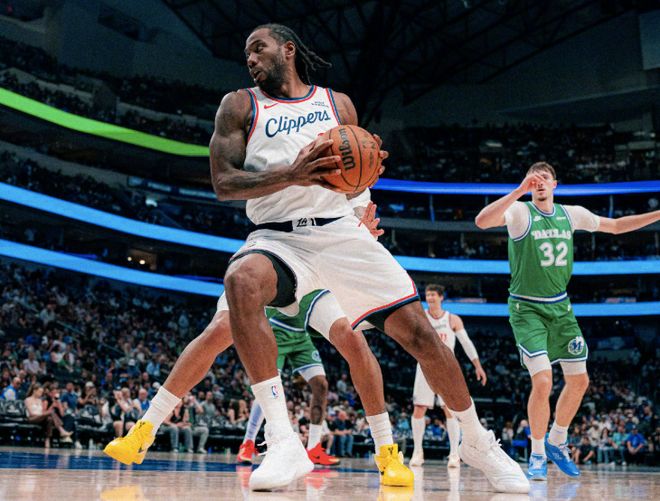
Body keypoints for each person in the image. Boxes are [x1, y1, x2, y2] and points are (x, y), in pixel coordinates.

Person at [106, 23, 527, 493]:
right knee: (241, 281)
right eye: (246, 52)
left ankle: (476, 441)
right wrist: (293, 173)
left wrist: (363, 208)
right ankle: (283, 440)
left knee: (421, 335)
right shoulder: (240, 105)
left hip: (339, 233)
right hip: (276, 237)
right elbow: (223, 182)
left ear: (288, 50)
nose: (250, 58)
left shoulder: (337, 103)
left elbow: (355, 179)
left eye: (258, 48)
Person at [475, 161, 660, 481]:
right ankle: (536, 453)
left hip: (560, 308)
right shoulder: (520, 212)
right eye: (534, 179)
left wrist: (657, 214)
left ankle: (557, 440)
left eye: (544, 178)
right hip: (527, 309)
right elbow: (481, 221)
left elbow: (617, 226)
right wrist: (518, 190)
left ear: (555, 184)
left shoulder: (571, 214)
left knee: (580, 380)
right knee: (543, 380)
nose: (539, 182)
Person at [237, 289, 341, 466]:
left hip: (302, 336)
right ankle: (248, 442)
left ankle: (313, 448)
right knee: (268, 386)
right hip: (276, 330)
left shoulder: (325, 284)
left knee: (321, 385)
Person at [409, 284, 487, 468]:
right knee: (419, 408)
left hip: (446, 367)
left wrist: (477, 365)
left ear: (441, 297)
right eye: (427, 295)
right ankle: (417, 452)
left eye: (433, 295)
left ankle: (454, 454)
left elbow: (466, 343)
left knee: (449, 410)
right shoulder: (421, 316)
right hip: (425, 365)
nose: (430, 298)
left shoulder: (452, 319)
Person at [24, 383, 72, 448]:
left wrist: (43, 415)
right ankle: (61, 430)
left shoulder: (40, 400)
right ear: (34, 391)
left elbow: (43, 412)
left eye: (41, 392)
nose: (41, 394)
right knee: (51, 412)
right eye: (40, 392)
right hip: (32, 418)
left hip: (41, 417)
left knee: (49, 419)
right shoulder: (28, 400)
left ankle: (47, 439)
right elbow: (31, 413)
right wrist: (42, 415)